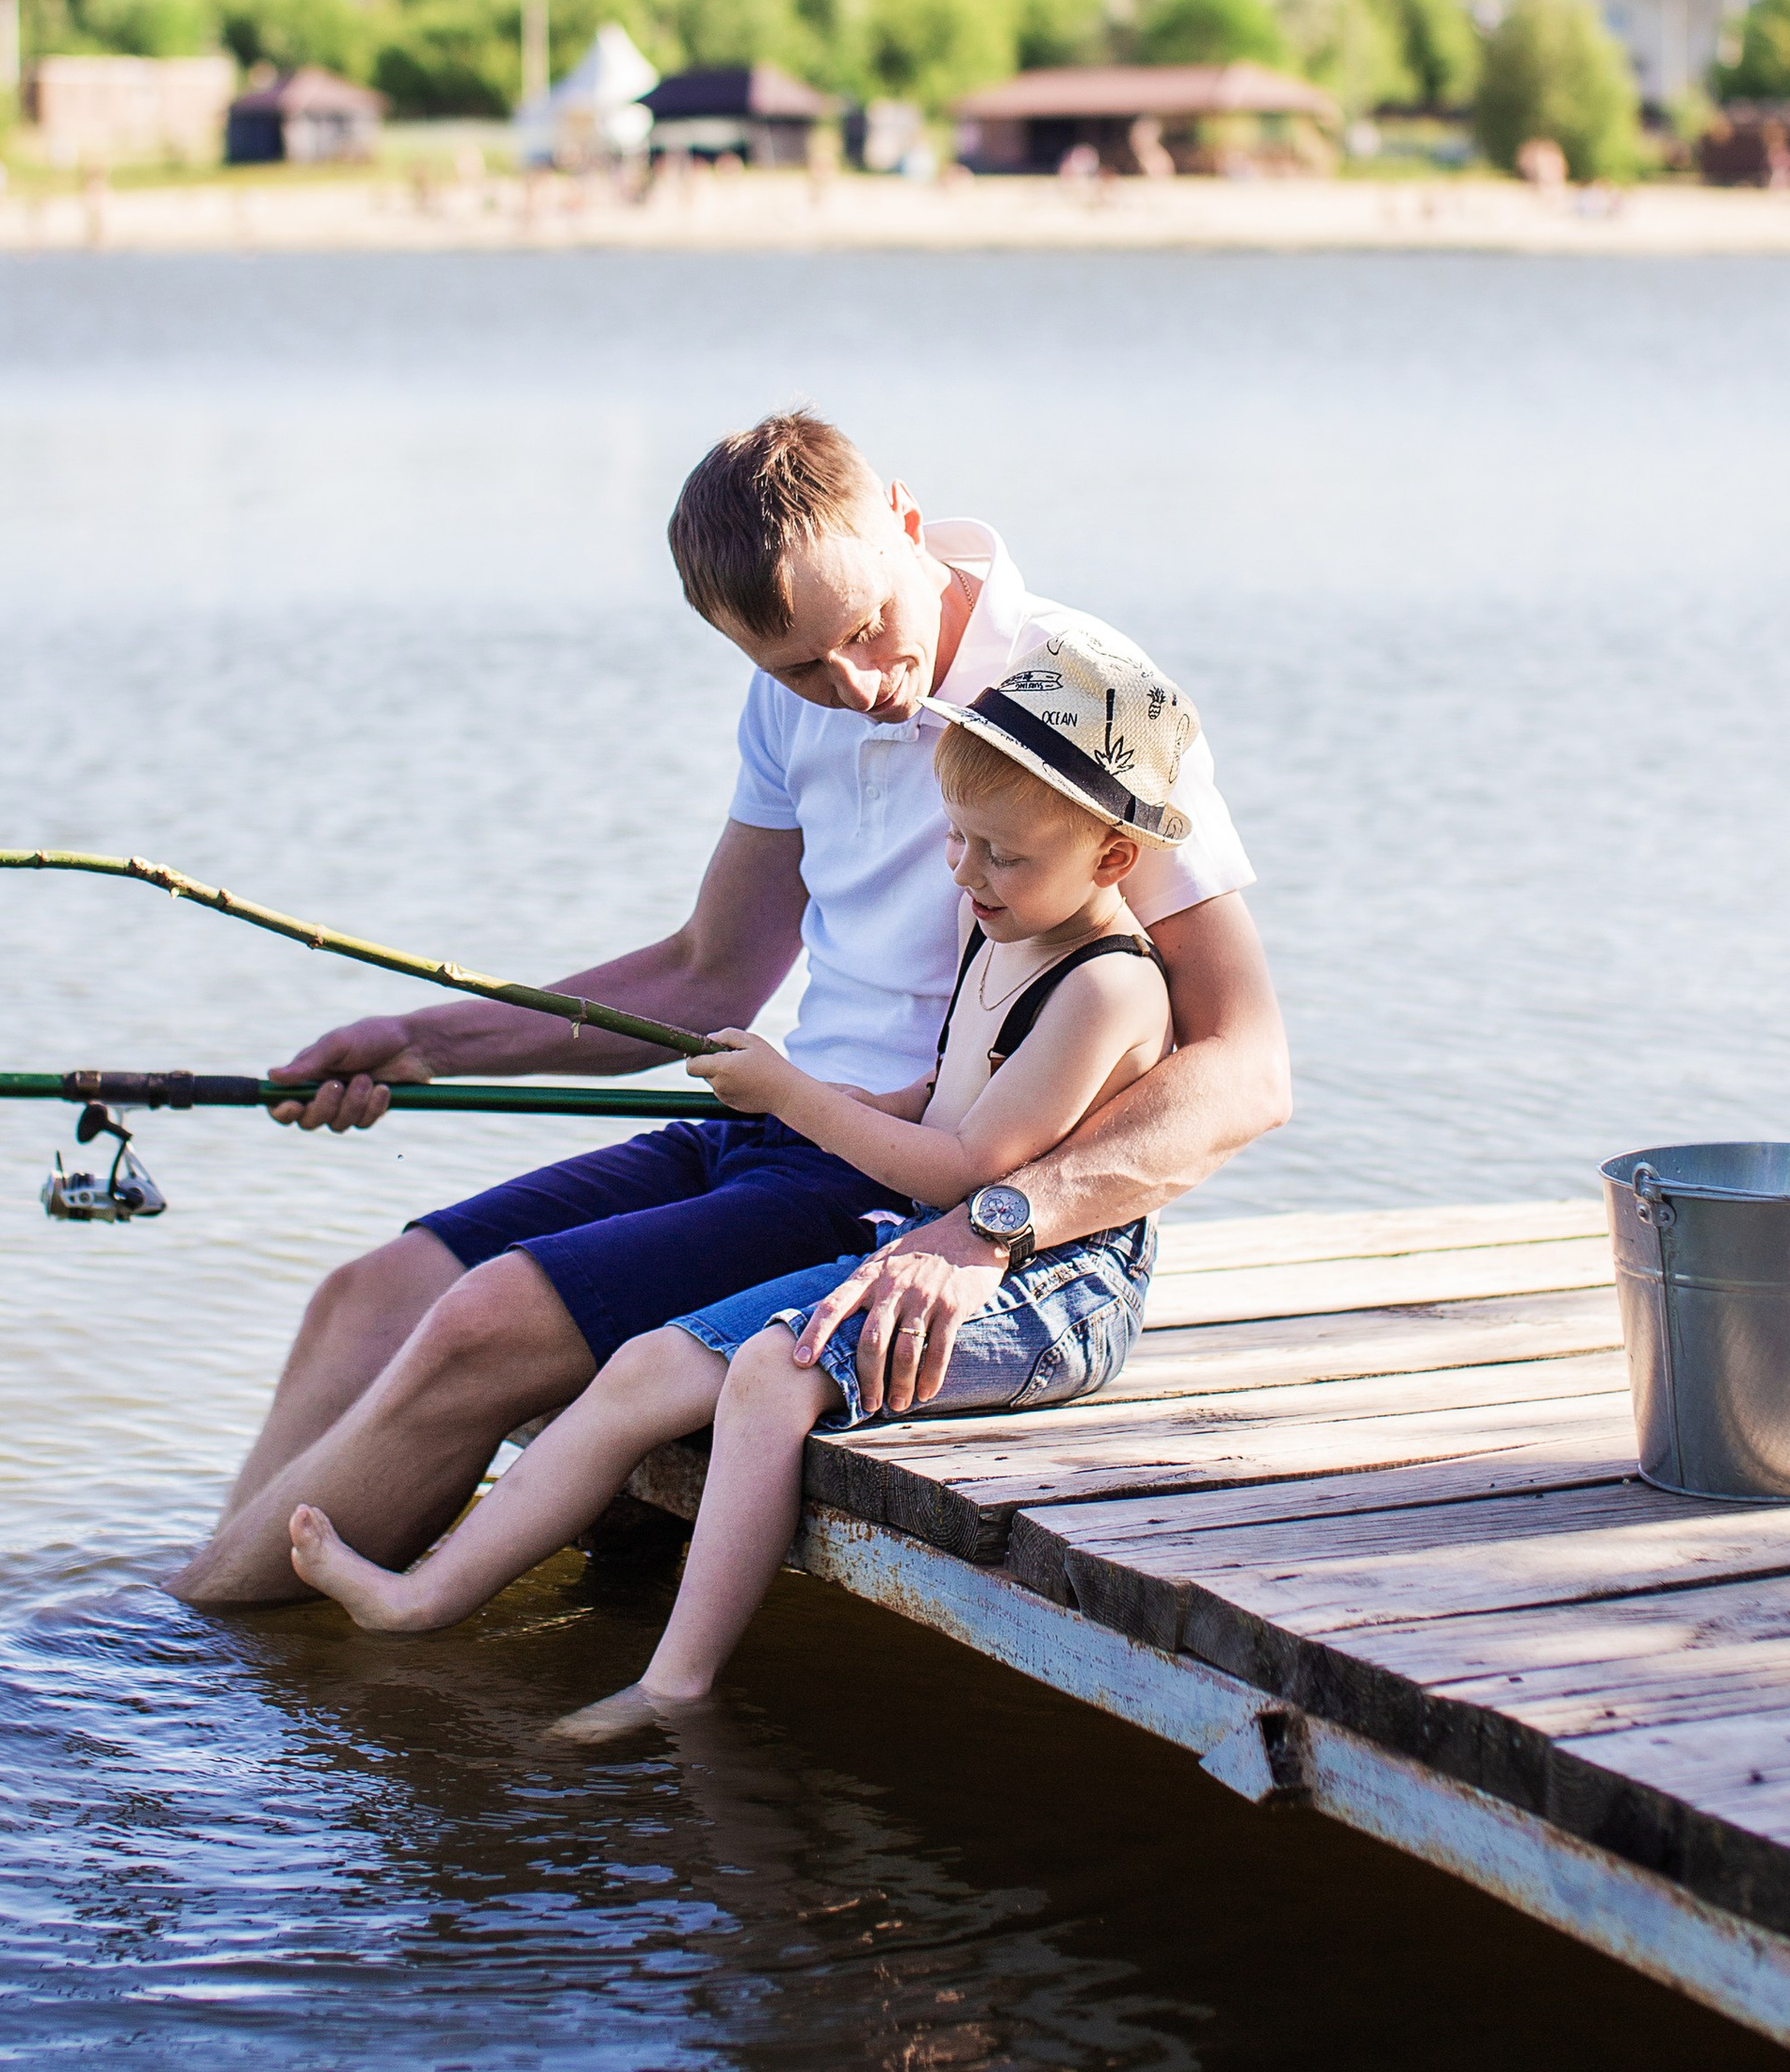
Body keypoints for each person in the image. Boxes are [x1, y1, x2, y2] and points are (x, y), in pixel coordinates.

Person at [171, 411, 1289, 1605]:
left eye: (866, 630)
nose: (854, 686)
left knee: (480, 1323)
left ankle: (183, 1651)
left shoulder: (1079, 696)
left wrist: (993, 1225)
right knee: (375, 1294)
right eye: (798, 666)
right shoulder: (790, 706)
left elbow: (1244, 1065)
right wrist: (418, 1045)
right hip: (775, 1124)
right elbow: (705, 975)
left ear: (904, 521)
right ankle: (218, 1617)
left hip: (894, 1173)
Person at [285, 652, 1184, 1726]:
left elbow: (970, 1166)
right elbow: (942, 1097)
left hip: (1052, 1289)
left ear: (1113, 854)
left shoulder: (1105, 986)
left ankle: (675, 1685)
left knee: (769, 1374)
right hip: (933, 1244)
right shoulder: (1006, 928)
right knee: (642, 1366)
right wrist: (835, 1092)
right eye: (955, 838)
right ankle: (422, 1598)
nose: (967, 872)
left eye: (1003, 854)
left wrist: (793, 1100)